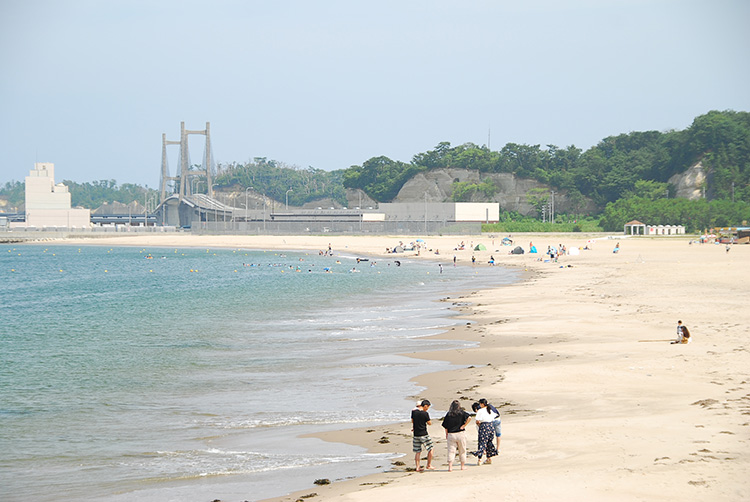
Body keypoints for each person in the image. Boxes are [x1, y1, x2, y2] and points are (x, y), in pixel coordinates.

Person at [441, 400, 472, 471]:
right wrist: (464, 425)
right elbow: (469, 417)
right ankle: (462, 466)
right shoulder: (461, 413)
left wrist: (446, 434)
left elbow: (445, 426)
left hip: (451, 434)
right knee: (462, 450)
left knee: (451, 450)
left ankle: (450, 466)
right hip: (460, 434)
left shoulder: (449, 414)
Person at [411, 399, 434, 471]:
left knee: (418, 451)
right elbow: (429, 423)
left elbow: (412, 421)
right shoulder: (425, 413)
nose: (427, 409)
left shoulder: (414, 412)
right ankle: (429, 465)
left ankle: (417, 467)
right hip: (423, 434)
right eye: (428, 407)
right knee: (431, 448)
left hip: (416, 434)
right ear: (425, 406)